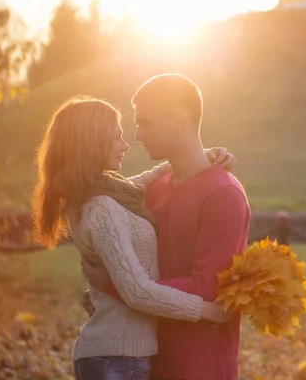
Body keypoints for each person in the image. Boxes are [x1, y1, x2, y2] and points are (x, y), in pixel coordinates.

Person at [30, 95, 238, 380]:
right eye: (117, 137)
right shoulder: (101, 207)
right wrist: (210, 312)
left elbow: (138, 184)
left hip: (120, 358)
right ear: (93, 143)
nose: (126, 144)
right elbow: (138, 291)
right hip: (114, 360)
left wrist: (202, 157)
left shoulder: (104, 192)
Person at [81, 74, 251, 380]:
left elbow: (208, 290)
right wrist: (110, 289)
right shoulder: (153, 188)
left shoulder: (224, 194)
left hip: (198, 364)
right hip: (142, 358)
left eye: (145, 123)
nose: (137, 136)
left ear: (177, 120)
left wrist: (116, 286)